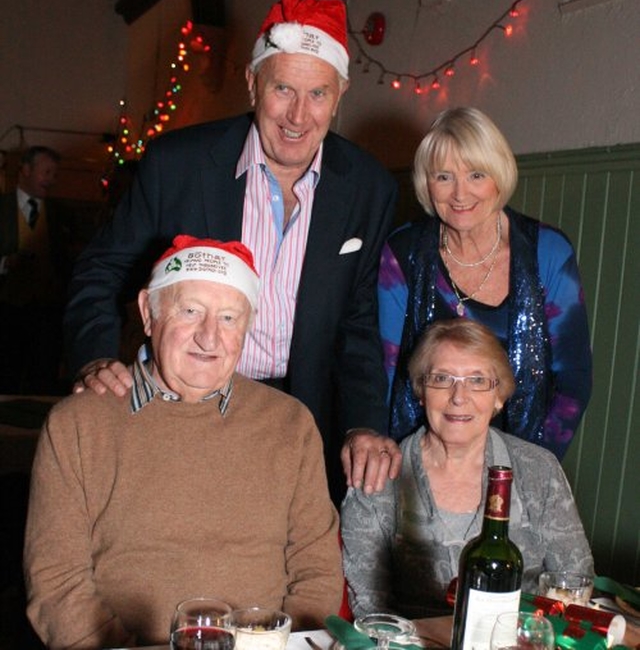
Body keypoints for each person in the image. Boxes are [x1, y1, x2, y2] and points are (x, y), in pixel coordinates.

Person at [63, 0, 400, 502]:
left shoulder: (369, 188)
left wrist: (363, 424)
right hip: (183, 404)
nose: (297, 116)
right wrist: (93, 359)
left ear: (341, 94)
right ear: (251, 82)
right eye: (282, 88)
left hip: (300, 417)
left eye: (317, 94)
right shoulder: (176, 164)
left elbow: (357, 323)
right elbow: (100, 270)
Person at [24, 236, 344, 649]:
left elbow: (316, 570)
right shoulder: (78, 425)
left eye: (229, 318)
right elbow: (56, 584)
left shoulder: (290, 424)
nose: (209, 338)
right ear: (147, 313)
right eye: (190, 311)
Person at [341, 318, 594, 620]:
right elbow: (371, 611)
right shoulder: (379, 476)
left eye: (477, 381)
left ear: (499, 396)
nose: (459, 397)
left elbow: (573, 583)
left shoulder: (538, 469)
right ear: (421, 391)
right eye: (442, 379)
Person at [380, 107, 592, 459]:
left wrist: (528, 467)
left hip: (524, 455)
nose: (460, 194)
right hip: (421, 455)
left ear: (499, 175)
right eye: (444, 177)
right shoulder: (401, 253)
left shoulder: (548, 252)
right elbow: (385, 373)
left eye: (476, 175)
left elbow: (574, 376)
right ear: (426, 183)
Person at [0, 145, 68, 394]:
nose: (51, 180)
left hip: (45, 315)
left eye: (54, 174)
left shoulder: (60, 214)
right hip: (5, 311)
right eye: (46, 172)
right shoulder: (2, 207)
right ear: (26, 170)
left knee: (41, 379)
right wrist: (5, 264)